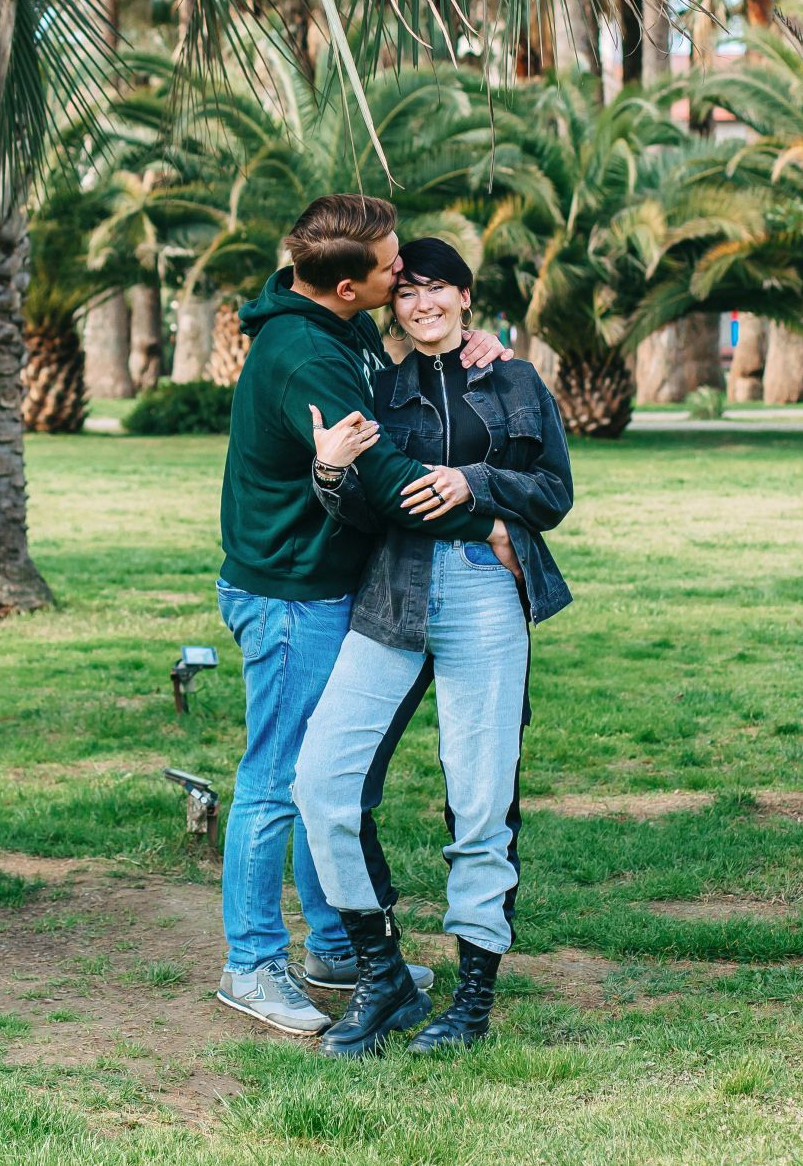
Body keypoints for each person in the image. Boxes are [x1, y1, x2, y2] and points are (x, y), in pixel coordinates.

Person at [212, 195, 509, 1037]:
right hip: (290, 594)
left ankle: (339, 943)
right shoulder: (307, 354)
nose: (400, 276)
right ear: (347, 286)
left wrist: (471, 348)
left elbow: (404, 383)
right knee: (279, 779)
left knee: (325, 776)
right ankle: (253, 959)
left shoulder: (328, 319)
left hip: (324, 582)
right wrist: (485, 519)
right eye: (389, 270)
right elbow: (382, 482)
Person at [292, 236, 574, 1056]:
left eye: (436, 289)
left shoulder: (514, 377)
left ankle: (472, 998)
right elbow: (362, 510)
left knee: (481, 797)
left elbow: (554, 491)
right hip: (394, 592)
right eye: (406, 292)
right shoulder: (380, 389)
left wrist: (475, 483)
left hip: (486, 591)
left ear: (463, 296)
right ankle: (384, 979)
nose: (421, 304)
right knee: (322, 779)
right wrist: (333, 473)